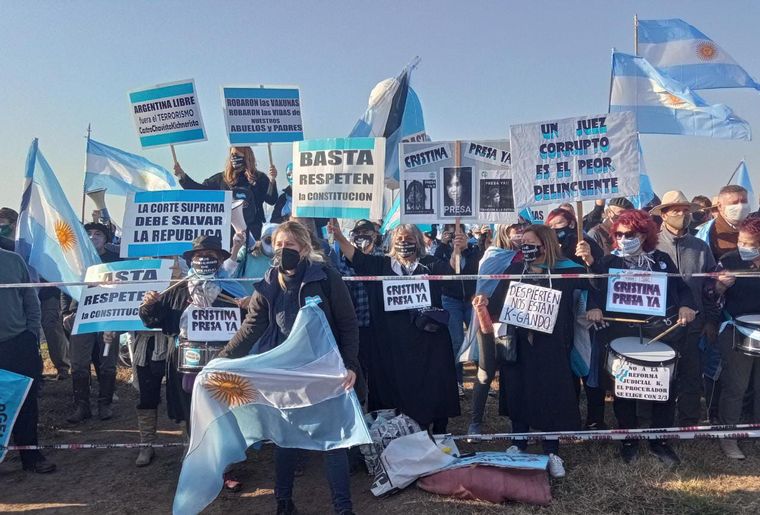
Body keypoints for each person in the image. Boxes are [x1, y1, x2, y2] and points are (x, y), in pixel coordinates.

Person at [218, 221, 360, 515]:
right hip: (286, 374)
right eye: (279, 245)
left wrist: (350, 364)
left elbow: (348, 325)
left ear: (304, 249)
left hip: (326, 371)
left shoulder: (327, 278)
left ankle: (343, 509)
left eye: (290, 246)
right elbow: (252, 326)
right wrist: (223, 359)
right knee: (285, 439)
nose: (284, 251)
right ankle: (284, 504)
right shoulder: (269, 282)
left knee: (334, 441)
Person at [475, 224, 600, 478]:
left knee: (550, 393)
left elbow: (592, 292)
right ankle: (519, 443)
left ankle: (552, 450)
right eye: (522, 243)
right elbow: (499, 301)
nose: (525, 247)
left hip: (553, 344)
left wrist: (590, 268)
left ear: (546, 244)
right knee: (517, 388)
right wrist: (486, 302)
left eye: (530, 242)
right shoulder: (514, 270)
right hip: (519, 342)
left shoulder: (569, 271)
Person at [589, 209, 697, 465]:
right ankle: (629, 438)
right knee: (624, 389)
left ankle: (659, 439)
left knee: (662, 387)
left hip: (657, 332)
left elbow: (681, 288)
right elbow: (593, 289)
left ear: (644, 234)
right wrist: (593, 307)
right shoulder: (607, 262)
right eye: (619, 234)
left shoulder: (661, 260)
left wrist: (685, 305)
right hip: (620, 334)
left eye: (631, 234)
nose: (624, 238)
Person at [140, 235, 247, 490]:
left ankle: (225, 468)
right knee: (191, 413)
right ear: (191, 261)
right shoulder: (176, 290)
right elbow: (153, 320)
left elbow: (251, 323)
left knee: (223, 413)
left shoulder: (233, 289)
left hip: (223, 364)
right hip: (186, 365)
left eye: (211, 256)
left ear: (221, 259)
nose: (205, 260)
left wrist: (248, 306)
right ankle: (195, 465)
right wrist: (149, 305)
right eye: (200, 256)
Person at [331, 222, 460, 433]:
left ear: (418, 242)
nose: (404, 243)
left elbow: (454, 278)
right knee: (393, 388)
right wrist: (339, 237)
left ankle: (435, 430)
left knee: (432, 385)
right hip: (391, 343)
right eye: (399, 239)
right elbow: (356, 258)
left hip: (428, 341)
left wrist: (457, 250)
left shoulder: (431, 264)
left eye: (409, 239)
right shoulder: (381, 265)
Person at [651, 191, 717, 426]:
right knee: (661, 375)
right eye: (676, 210)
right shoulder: (651, 245)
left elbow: (709, 287)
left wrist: (710, 320)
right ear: (664, 214)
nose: (682, 214)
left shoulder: (700, 246)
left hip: (693, 321)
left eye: (685, 210)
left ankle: (688, 421)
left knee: (691, 373)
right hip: (660, 323)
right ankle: (661, 422)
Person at [0, 248, 55, 473]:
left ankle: (31, 456)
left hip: (17, 343)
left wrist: (31, 333)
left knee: (25, 401)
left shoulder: (13, 260)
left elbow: (31, 300)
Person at [709, 216, 760, 459]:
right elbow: (712, 298)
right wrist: (720, 288)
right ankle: (728, 436)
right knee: (736, 386)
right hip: (735, 329)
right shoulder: (728, 261)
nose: (744, 247)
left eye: (750, 243)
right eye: (741, 241)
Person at [63, 222, 121, 423]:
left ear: (106, 239)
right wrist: (65, 313)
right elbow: (66, 286)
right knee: (79, 363)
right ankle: (82, 406)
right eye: (88, 234)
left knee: (108, 362)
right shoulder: (76, 262)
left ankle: (105, 404)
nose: (93, 237)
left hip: (108, 317)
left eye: (98, 234)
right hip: (81, 316)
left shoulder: (116, 260)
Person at [467, 224, 519, 436]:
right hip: (490, 320)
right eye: (515, 227)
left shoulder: (529, 255)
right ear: (505, 230)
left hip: (516, 319)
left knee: (514, 370)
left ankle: (516, 421)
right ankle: (475, 422)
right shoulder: (492, 255)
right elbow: (484, 287)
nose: (520, 231)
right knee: (486, 371)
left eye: (523, 226)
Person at [174, 146, 278, 239]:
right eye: (231, 155)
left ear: (247, 156)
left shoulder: (259, 178)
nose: (233, 157)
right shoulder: (222, 179)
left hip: (254, 233)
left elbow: (271, 200)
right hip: (229, 236)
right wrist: (182, 176)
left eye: (236, 155)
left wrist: (272, 181)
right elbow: (199, 192)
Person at [336, 219, 383, 405]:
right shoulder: (339, 262)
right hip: (354, 327)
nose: (362, 236)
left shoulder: (383, 260)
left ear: (375, 236)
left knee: (379, 371)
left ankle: (377, 407)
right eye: (358, 232)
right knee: (357, 369)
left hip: (378, 326)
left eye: (367, 232)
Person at [434, 224, 482, 394]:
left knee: (478, 339)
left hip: (471, 300)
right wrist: (444, 245)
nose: (456, 237)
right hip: (451, 300)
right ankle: (457, 381)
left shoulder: (474, 251)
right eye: (452, 234)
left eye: (459, 234)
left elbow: (475, 270)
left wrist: (466, 249)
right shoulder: (441, 251)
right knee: (456, 341)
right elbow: (442, 273)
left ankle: (482, 380)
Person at [696, 185, 750, 261]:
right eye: (734, 203)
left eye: (744, 201)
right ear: (720, 206)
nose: (740, 207)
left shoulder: (755, 227)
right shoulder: (706, 232)